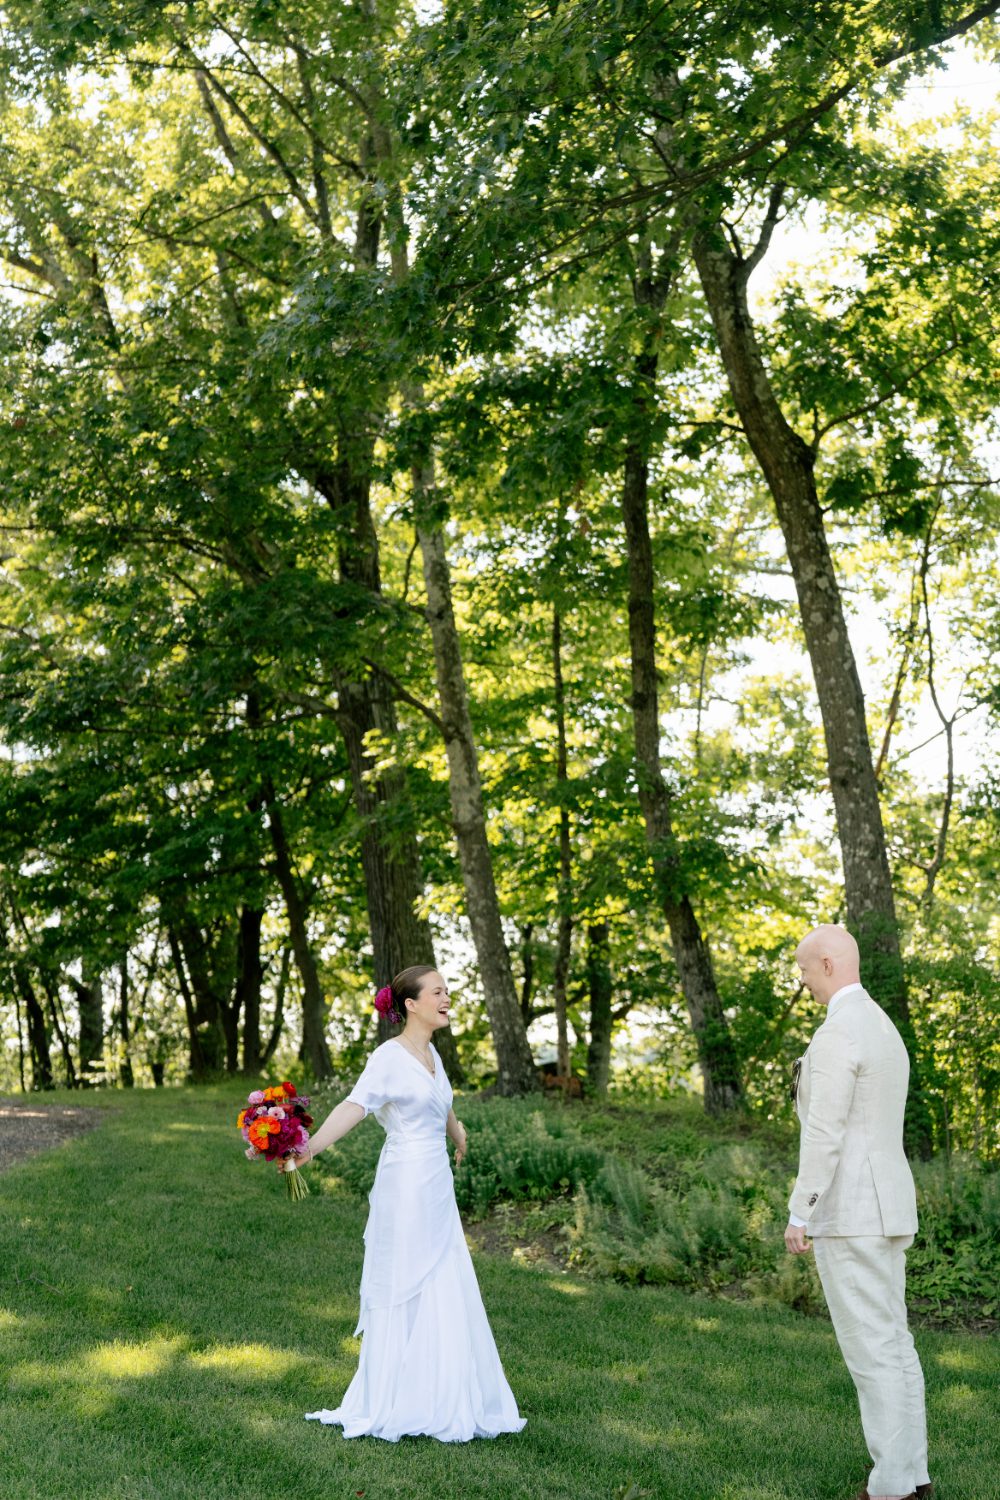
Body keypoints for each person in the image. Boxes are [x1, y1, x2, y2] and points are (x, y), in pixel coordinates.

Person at [290, 964, 526, 1443]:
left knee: (443, 1275)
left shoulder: (432, 1055)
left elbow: (439, 1104)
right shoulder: (388, 1058)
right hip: (404, 1185)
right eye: (437, 992)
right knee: (407, 1278)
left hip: (436, 1183)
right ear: (411, 1005)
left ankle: (443, 1391)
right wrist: (307, 1149)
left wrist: (458, 1133)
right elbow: (354, 1106)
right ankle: (398, 1395)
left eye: (448, 991)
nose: (447, 998)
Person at [785, 924, 930, 1500]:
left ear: (826, 963)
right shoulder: (881, 1023)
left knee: (873, 1351)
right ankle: (913, 1476)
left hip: (853, 1212)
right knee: (894, 1344)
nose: (802, 983)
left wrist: (802, 1211)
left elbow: (826, 1133)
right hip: (886, 1206)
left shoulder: (839, 1032)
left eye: (801, 972)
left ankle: (891, 1486)